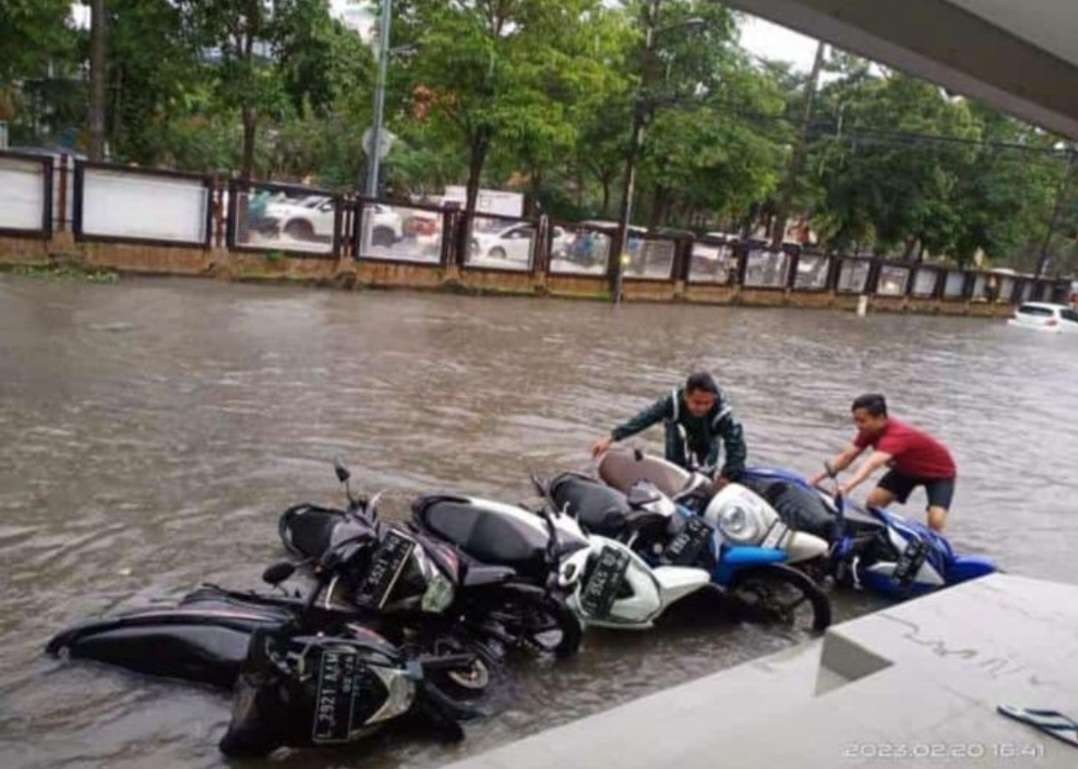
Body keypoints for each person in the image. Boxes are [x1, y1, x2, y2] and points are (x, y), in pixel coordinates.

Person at [809, 393, 956, 532]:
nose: (858, 425)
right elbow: (848, 456)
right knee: (873, 504)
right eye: (856, 420)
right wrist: (819, 477)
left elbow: (871, 464)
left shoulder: (897, 435)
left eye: (862, 421)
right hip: (905, 470)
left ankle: (933, 550)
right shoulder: (868, 431)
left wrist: (848, 486)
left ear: (880, 418)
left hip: (939, 474)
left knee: (935, 520)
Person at [591, 371, 748, 483]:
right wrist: (612, 437)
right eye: (697, 402)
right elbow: (644, 419)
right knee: (674, 471)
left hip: (708, 433)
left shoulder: (723, 414)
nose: (702, 408)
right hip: (678, 429)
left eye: (707, 403)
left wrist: (726, 478)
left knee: (706, 473)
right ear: (686, 396)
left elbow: (737, 449)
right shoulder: (672, 404)